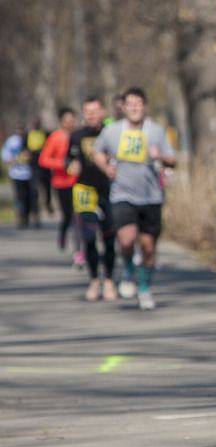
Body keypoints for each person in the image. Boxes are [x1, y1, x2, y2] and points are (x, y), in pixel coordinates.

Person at [94, 87, 176, 310]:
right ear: (123, 107)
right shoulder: (113, 131)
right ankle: (128, 269)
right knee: (127, 239)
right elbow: (97, 151)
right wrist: (106, 168)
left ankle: (144, 288)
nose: (134, 107)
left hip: (151, 196)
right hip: (122, 193)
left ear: (144, 106)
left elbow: (173, 159)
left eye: (138, 103)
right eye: (130, 104)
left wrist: (161, 157)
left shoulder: (156, 131)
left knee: (149, 248)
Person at [68, 96, 117, 301]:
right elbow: (68, 158)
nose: (91, 115)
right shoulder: (77, 135)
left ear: (103, 112)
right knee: (88, 237)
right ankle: (94, 279)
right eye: (87, 112)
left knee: (109, 237)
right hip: (84, 190)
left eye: (95, 111)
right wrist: (70, 165)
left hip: (109, 189)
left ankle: (109, 280)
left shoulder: (112, 132)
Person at [39, 108, 79, 258]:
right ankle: (63, 234)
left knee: (79, 217)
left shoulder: (78, 136)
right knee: (68, 215)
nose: (70, 124)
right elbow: (43, 160)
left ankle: (79, 250)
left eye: (72, 120)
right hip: (61, 183)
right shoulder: (55, 137)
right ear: (61, 122)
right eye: (67, 121)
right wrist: (63, 163)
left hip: (79, 183)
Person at [2, 125, 39, 228]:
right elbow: (5, 156)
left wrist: (31, 157)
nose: (20, 134)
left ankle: (34, 218)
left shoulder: (31, 140)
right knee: (20, 198)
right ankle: (21, 219)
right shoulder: (11, 141)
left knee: (32, 197)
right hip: (16, 174)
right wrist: (15, 159)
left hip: (31, 174)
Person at [27, 118, 52, 215]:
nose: (37, 125)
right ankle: (35, 208)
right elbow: (24, 148)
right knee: (34, 189)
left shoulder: (45, 133)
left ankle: (48, 204)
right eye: (35, 123)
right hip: (34, 166)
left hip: (45, 166)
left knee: (47, 188)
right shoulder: (29, 135)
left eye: (38, 123)